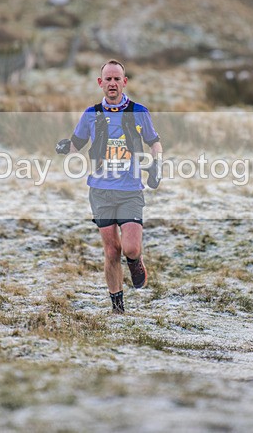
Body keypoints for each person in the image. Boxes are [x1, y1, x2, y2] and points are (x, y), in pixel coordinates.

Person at [56, 59, 162, 314]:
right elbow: (76, 143)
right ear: (100, 83)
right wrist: (64, 147)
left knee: (130, 248)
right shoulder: (91, 114)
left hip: (130, 190)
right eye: (108, 79)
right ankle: (117, 307)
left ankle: (136, 261)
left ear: (124, 82)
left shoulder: (139, 111)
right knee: (112, 250)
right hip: (100, 191)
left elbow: (154, 142)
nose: (112, 83)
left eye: (117, 79)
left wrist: (157, 163)